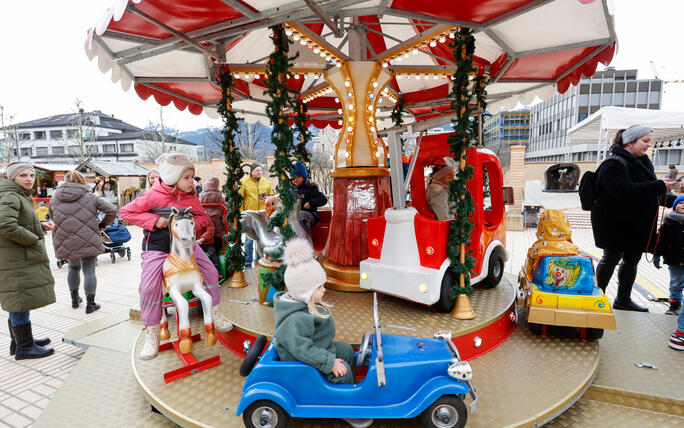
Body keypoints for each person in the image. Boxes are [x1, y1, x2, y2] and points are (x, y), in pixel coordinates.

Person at [119, 153, 233, 360]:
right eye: (187, 178)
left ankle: (215, 314)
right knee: (149, 285)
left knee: (209, 270)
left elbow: (203, 218)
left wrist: (187, 226)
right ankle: (152, 333)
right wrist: (155, 220)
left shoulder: (191, 197)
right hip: (158, 247)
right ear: (173, 178)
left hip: (185, 246)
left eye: (192, 177)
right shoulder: (152, 196)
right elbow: (126, 212)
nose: (192, 182)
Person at [273, 238, 372, 428]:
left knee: (343, 349)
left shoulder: (301, 306)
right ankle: (345, 405)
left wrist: (333, 357)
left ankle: (351, 385)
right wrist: (329, 363)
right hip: (301, 361)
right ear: (305, 292)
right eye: (319, 287)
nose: (324, 290)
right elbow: (303, 351)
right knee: (341, 372)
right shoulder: (296, 320)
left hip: (311, 350)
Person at [592, 125, 677, 312]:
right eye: (645, 141)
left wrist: (674, 202)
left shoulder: (643, 162)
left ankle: (623, 300)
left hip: (637, 225)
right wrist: (659, 186)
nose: (649, 145)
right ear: (630, 142)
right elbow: (622, 191)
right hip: (615, 224)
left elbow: (649, 192)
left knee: (632, 260)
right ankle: (596, 299)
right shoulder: (613, 164)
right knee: (610, 259)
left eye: (650, 141)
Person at [0, 162, 55, 360]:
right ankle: (25, 347)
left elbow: (17, 222)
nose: (29, 179)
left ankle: (19, 342)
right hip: (16, 259)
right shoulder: (11, 195)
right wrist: (33, 238)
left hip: (16, 257)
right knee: (19, 301)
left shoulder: (17, 194)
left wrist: (39, 226)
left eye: (31, 175)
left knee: (19, 300)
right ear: (12, 177)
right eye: (22, 175)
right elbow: (5, 225)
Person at [49, 171, 117, 313]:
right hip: (88, 238)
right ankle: (90, 304)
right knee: (89, 270)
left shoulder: (55, 197)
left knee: (73, 268)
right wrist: (103, 224)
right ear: (82, 180)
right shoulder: (89, 196)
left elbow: (52, 215)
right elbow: (112, 210)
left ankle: (74, 300)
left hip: (65, 238)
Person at [238, 163, 274, 268]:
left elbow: (271, 196)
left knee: (263, 240)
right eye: (257, 170)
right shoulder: (244, 182)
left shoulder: (266, 182)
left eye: (260, 170)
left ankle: (260, 262)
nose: (259, 172)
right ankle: (248, 264)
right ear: (252, 171)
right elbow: (240, 199)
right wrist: (241, 213)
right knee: (249, 241)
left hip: (263, 216)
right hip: (250, 216)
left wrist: (267, 199)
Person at [654, 195, 684, 316]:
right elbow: (660, 242)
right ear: (674, 207)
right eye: (680, 203)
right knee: (676, 283)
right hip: (674, 260)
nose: (683, 205)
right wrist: (657, 255)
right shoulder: (668, 225)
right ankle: (674, 306)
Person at [290, 161, 328, 237]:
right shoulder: (289, 190)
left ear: (303, 177)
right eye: (293, 177)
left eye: (298, 177)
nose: (295, 179)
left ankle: (306, 240)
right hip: (293, 216)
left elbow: (323, 199)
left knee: (300, 215)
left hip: (309, 215)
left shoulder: (310, 188)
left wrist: (311, 203)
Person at [199, 176, 227, 273]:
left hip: (205, 225)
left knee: (209, 247)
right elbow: (225, 206)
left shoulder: (202, 195)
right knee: (219, 243)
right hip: (217, 226)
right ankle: (218, 267)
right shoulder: (218, 195)